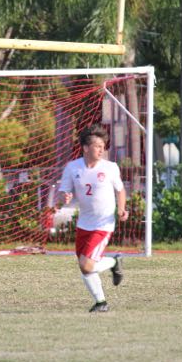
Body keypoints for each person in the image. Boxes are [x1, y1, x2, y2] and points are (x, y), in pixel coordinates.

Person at [57, 124, 128, 313]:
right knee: (85, 267)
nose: (101, 149)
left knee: (86, 264)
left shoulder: (110, 167)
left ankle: (113, 262)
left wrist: (121, 209)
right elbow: (63, 191)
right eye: (97, 145)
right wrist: (64, 196)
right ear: (86, 148)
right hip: (83, 223)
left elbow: (120, 190)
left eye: (103, 145)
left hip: (103, 224)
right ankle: (101, 302)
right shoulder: (73, 167)